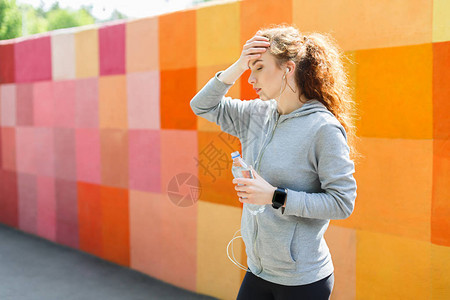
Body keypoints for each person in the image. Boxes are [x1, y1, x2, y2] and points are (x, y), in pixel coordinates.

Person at [190, 24, 357, 300]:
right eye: (250, 68)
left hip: (302, 281)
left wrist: (275, 196)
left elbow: (342, 203)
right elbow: (202, 105)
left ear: (287, 69)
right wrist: (240, 63)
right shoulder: (256, 114)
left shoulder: (322, 128)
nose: (251, 79)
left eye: (259, 68)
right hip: (257, 271)